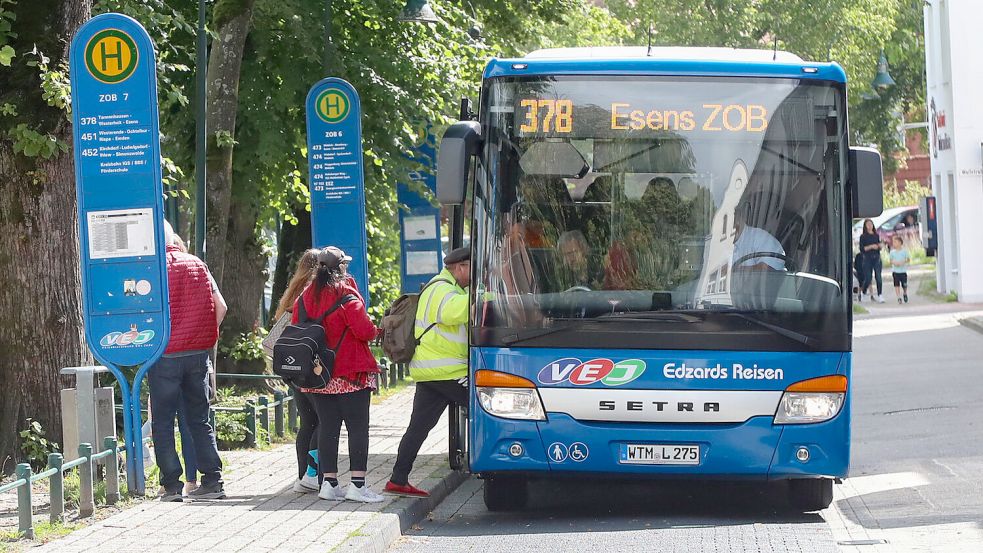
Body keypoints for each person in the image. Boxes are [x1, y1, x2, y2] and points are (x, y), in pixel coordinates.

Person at [294, 247, 383, 503]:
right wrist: (377, 329)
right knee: (357, 429)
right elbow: (364, 331)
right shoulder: (346, 294)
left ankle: (329, 483)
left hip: (319, 375)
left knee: (328, 429)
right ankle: (357, 484)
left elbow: (297, 329)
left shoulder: (306, 296)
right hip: (350, 373)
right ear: (341, 267)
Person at [150, 221, 227, 502]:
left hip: (165, 355)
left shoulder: (154, 268)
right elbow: (221, 307)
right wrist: (204, 336)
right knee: (199, 419)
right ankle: (212, 481)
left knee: (163, 422)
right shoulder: (198, 264)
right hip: (197, 355)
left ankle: (171, 485)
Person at [385, 247, 471, 498]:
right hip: (446, 372)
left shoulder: (445, 287)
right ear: (460, 267)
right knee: (484, 404)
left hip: (431, 372)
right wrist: (486, 295)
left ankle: (398, 479)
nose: (474, 278)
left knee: (419, 428)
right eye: (471, 270)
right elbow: (457, 312)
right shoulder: (442, 289)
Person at [274, 248, 323, 493]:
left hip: (292, 366)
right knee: (324, 419)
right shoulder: (314, 292)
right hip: (311, 365)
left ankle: (302, 475)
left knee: (307, 422)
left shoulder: (292, 291)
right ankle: (314, 474)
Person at [859, 218, 885, 303]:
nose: (870, 226)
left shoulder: (876, 235)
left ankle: (880, 294)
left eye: (871, 224)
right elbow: (862, 249)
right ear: (865, 226)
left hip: (876, 257)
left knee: (878, 276)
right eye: (868, 224)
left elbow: (879, 246)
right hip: (867, 258)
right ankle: (863, 292)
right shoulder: (863, 237)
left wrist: (879, 246)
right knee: (868, 277)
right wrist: (871, 246)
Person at [889, 235, 910, 304]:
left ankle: (905, 293)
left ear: (900, 243)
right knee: (896, 284)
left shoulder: (904, 251)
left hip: (903, 271)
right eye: (893, 242)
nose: (894, 243)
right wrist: (894, 262)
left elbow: (908, 259)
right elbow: (890, 260)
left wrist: (902, 262)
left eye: (896, 242)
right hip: (895, 271)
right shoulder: (892, 252)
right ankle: (898, 297)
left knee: (904, 284)